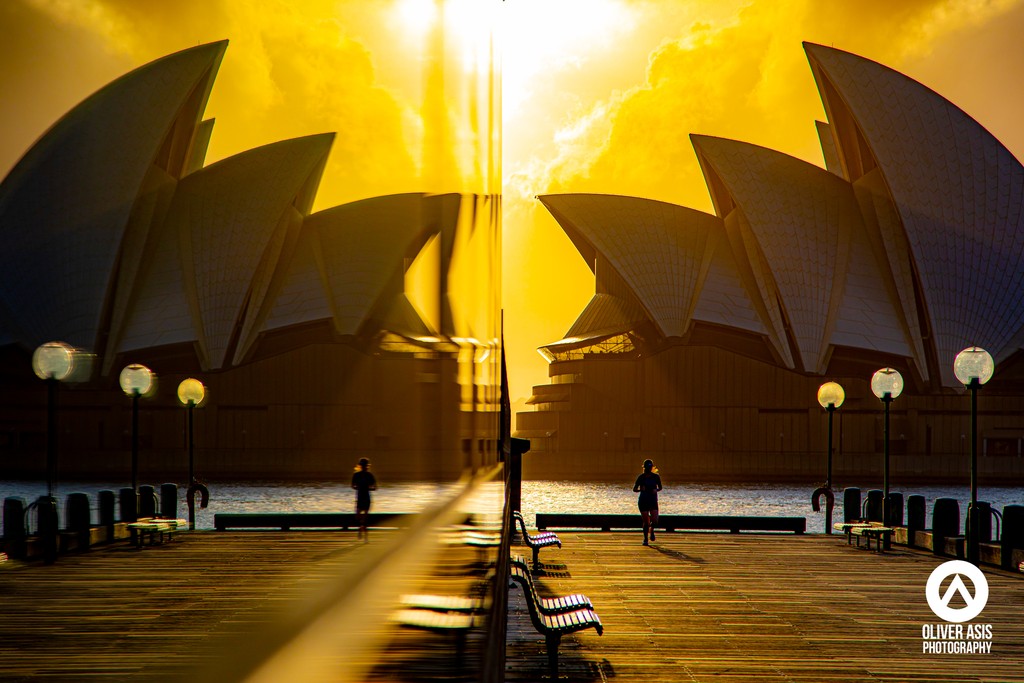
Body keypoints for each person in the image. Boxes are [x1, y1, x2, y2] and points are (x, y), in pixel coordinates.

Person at [633, 459, 662, 545]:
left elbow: (660, 487)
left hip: (653, 500)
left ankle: (652, 530)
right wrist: (640, 490)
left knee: (655, 520)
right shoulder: (641, 477)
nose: (648, 469)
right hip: (643, 500)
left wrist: (656, 490)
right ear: (644, 467)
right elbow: (634, 489)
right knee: (646, 522)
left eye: (650, 467)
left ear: (652, 468)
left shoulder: (656, 477)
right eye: (647, 467)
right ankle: (645, 539)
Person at [351, 457, 377, 540]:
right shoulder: (369, 475)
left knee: (360, 516)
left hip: (361, 497)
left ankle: (363, 534)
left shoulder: (357, 475)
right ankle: (363, 533)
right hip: (365, 497)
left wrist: (359, 488)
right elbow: (375, 487)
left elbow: (353, 486)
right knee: (363, 517)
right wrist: (368, 488)